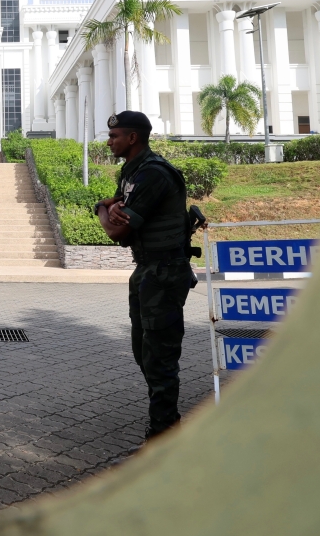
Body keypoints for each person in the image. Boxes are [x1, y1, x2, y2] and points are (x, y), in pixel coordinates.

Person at [93, 110, 196, 442]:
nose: (109, 142)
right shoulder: (131, 172)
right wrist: (112, 210)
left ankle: (163, 434)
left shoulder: (153, 174)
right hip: (146, 271)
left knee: (160, 357)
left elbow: (115, 231)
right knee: (143, 352)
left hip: (164, 273)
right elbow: (121, 227)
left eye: (114, 136)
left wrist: (102, 208)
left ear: (132, 138)